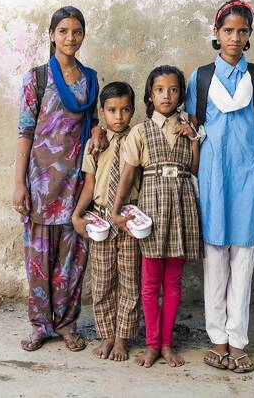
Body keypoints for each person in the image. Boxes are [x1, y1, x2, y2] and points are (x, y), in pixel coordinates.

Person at [184, 0, 254, 373]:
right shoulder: (202, 78)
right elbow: (194, 129)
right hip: (211, 177)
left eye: (242, 31)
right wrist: (192, 173)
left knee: (243, 258)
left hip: (248, 175)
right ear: (216, 33)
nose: (235, 37)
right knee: (215, 259)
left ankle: (238, 340)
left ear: (249, 36)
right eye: (228, 31)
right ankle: (217, 338)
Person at [13, 5, 106, 352]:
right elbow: (25, 129)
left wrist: (97, 131)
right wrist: (19, 181)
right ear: (52, 35)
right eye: (63, 31)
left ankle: (67, 323)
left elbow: (94, 120)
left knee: (73, 255)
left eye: (77, 31)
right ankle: (40, 325)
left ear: (83, 36)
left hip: (77, 181)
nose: (70, 37)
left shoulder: (90, 79)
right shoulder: (36, 77)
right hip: (39, 180)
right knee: (38, 256)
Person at [112, 65, 202, 368]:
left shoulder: (189, 126)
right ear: (150, 94)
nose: (167, 95)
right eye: (160, 90)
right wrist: (116, 208)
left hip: (181, 204)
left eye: (174, 89)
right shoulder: (140, 131)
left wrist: (193, 138)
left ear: (181, 94)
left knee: (174, 281)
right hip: (151, 208)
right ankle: (151, 344)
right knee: (150, 282)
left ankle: (166, 344)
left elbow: (195, 169)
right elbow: (127, 174)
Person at [72, 82, 140, 361]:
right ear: (102, 111)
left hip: (129, 219)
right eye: (112, 110)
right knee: (101, 282)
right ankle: (107, 335)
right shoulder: (95, 145)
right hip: (100, 217)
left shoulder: (139, 138)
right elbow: (89, 184)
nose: (119, 116)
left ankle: (123, 338)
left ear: (134, 111)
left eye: (125, 109)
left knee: (130, 281)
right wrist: (77, 214)